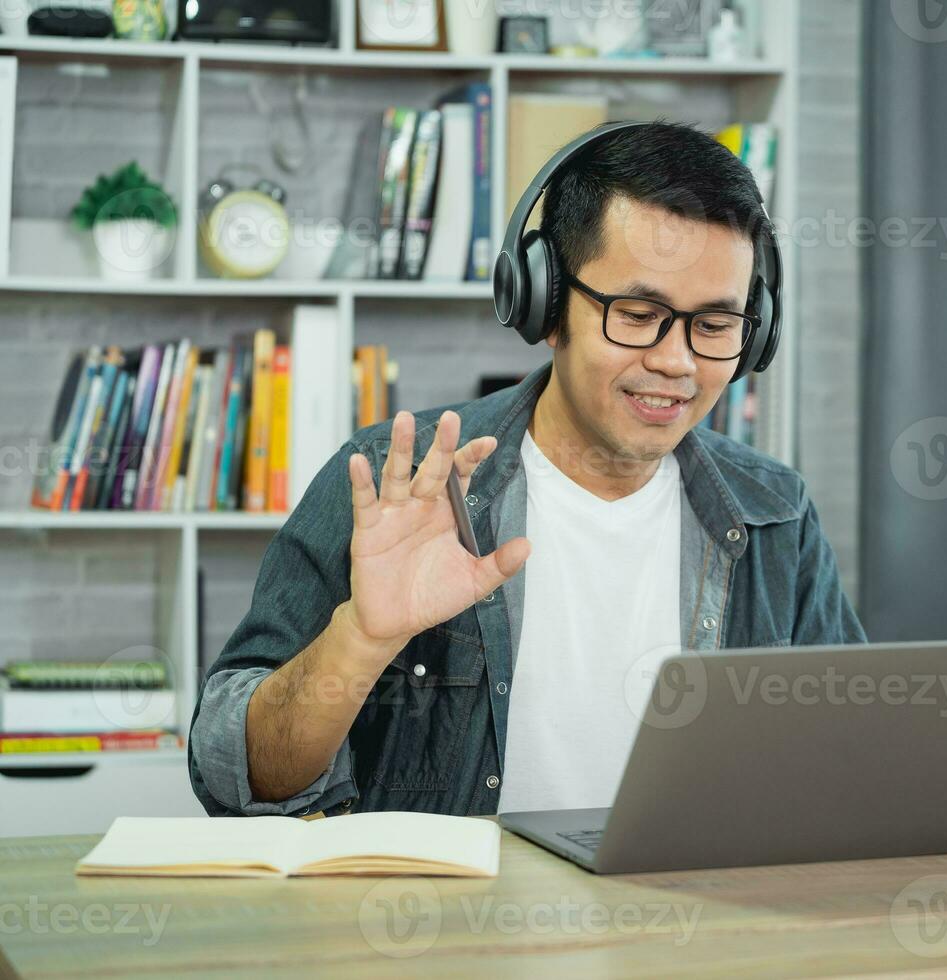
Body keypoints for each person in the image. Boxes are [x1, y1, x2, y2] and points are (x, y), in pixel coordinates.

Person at [188, 121, 866, 818]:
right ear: (541, 303)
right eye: (637, 314)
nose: (678, 362)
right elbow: (235, 776)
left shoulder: (775, 512)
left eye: (717, 326)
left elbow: (850, 767)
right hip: (447, 925)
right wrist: (361, 638)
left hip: (696, 921)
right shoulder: (395, 480)